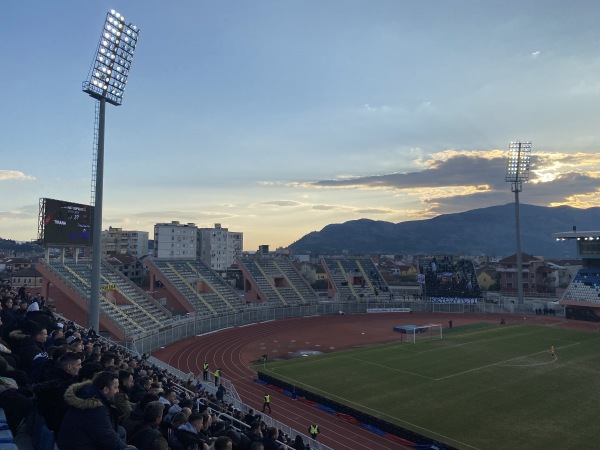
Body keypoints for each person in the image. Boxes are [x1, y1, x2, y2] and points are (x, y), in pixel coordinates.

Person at [57, 371, 136, 450]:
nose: (118, 391)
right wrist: (124, 446)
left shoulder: (88, 392)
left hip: (72, 440)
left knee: (121, 431)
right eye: (116, 387)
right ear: (105, 389)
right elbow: (107, 437)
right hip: (77, 445)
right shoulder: (96, 408)